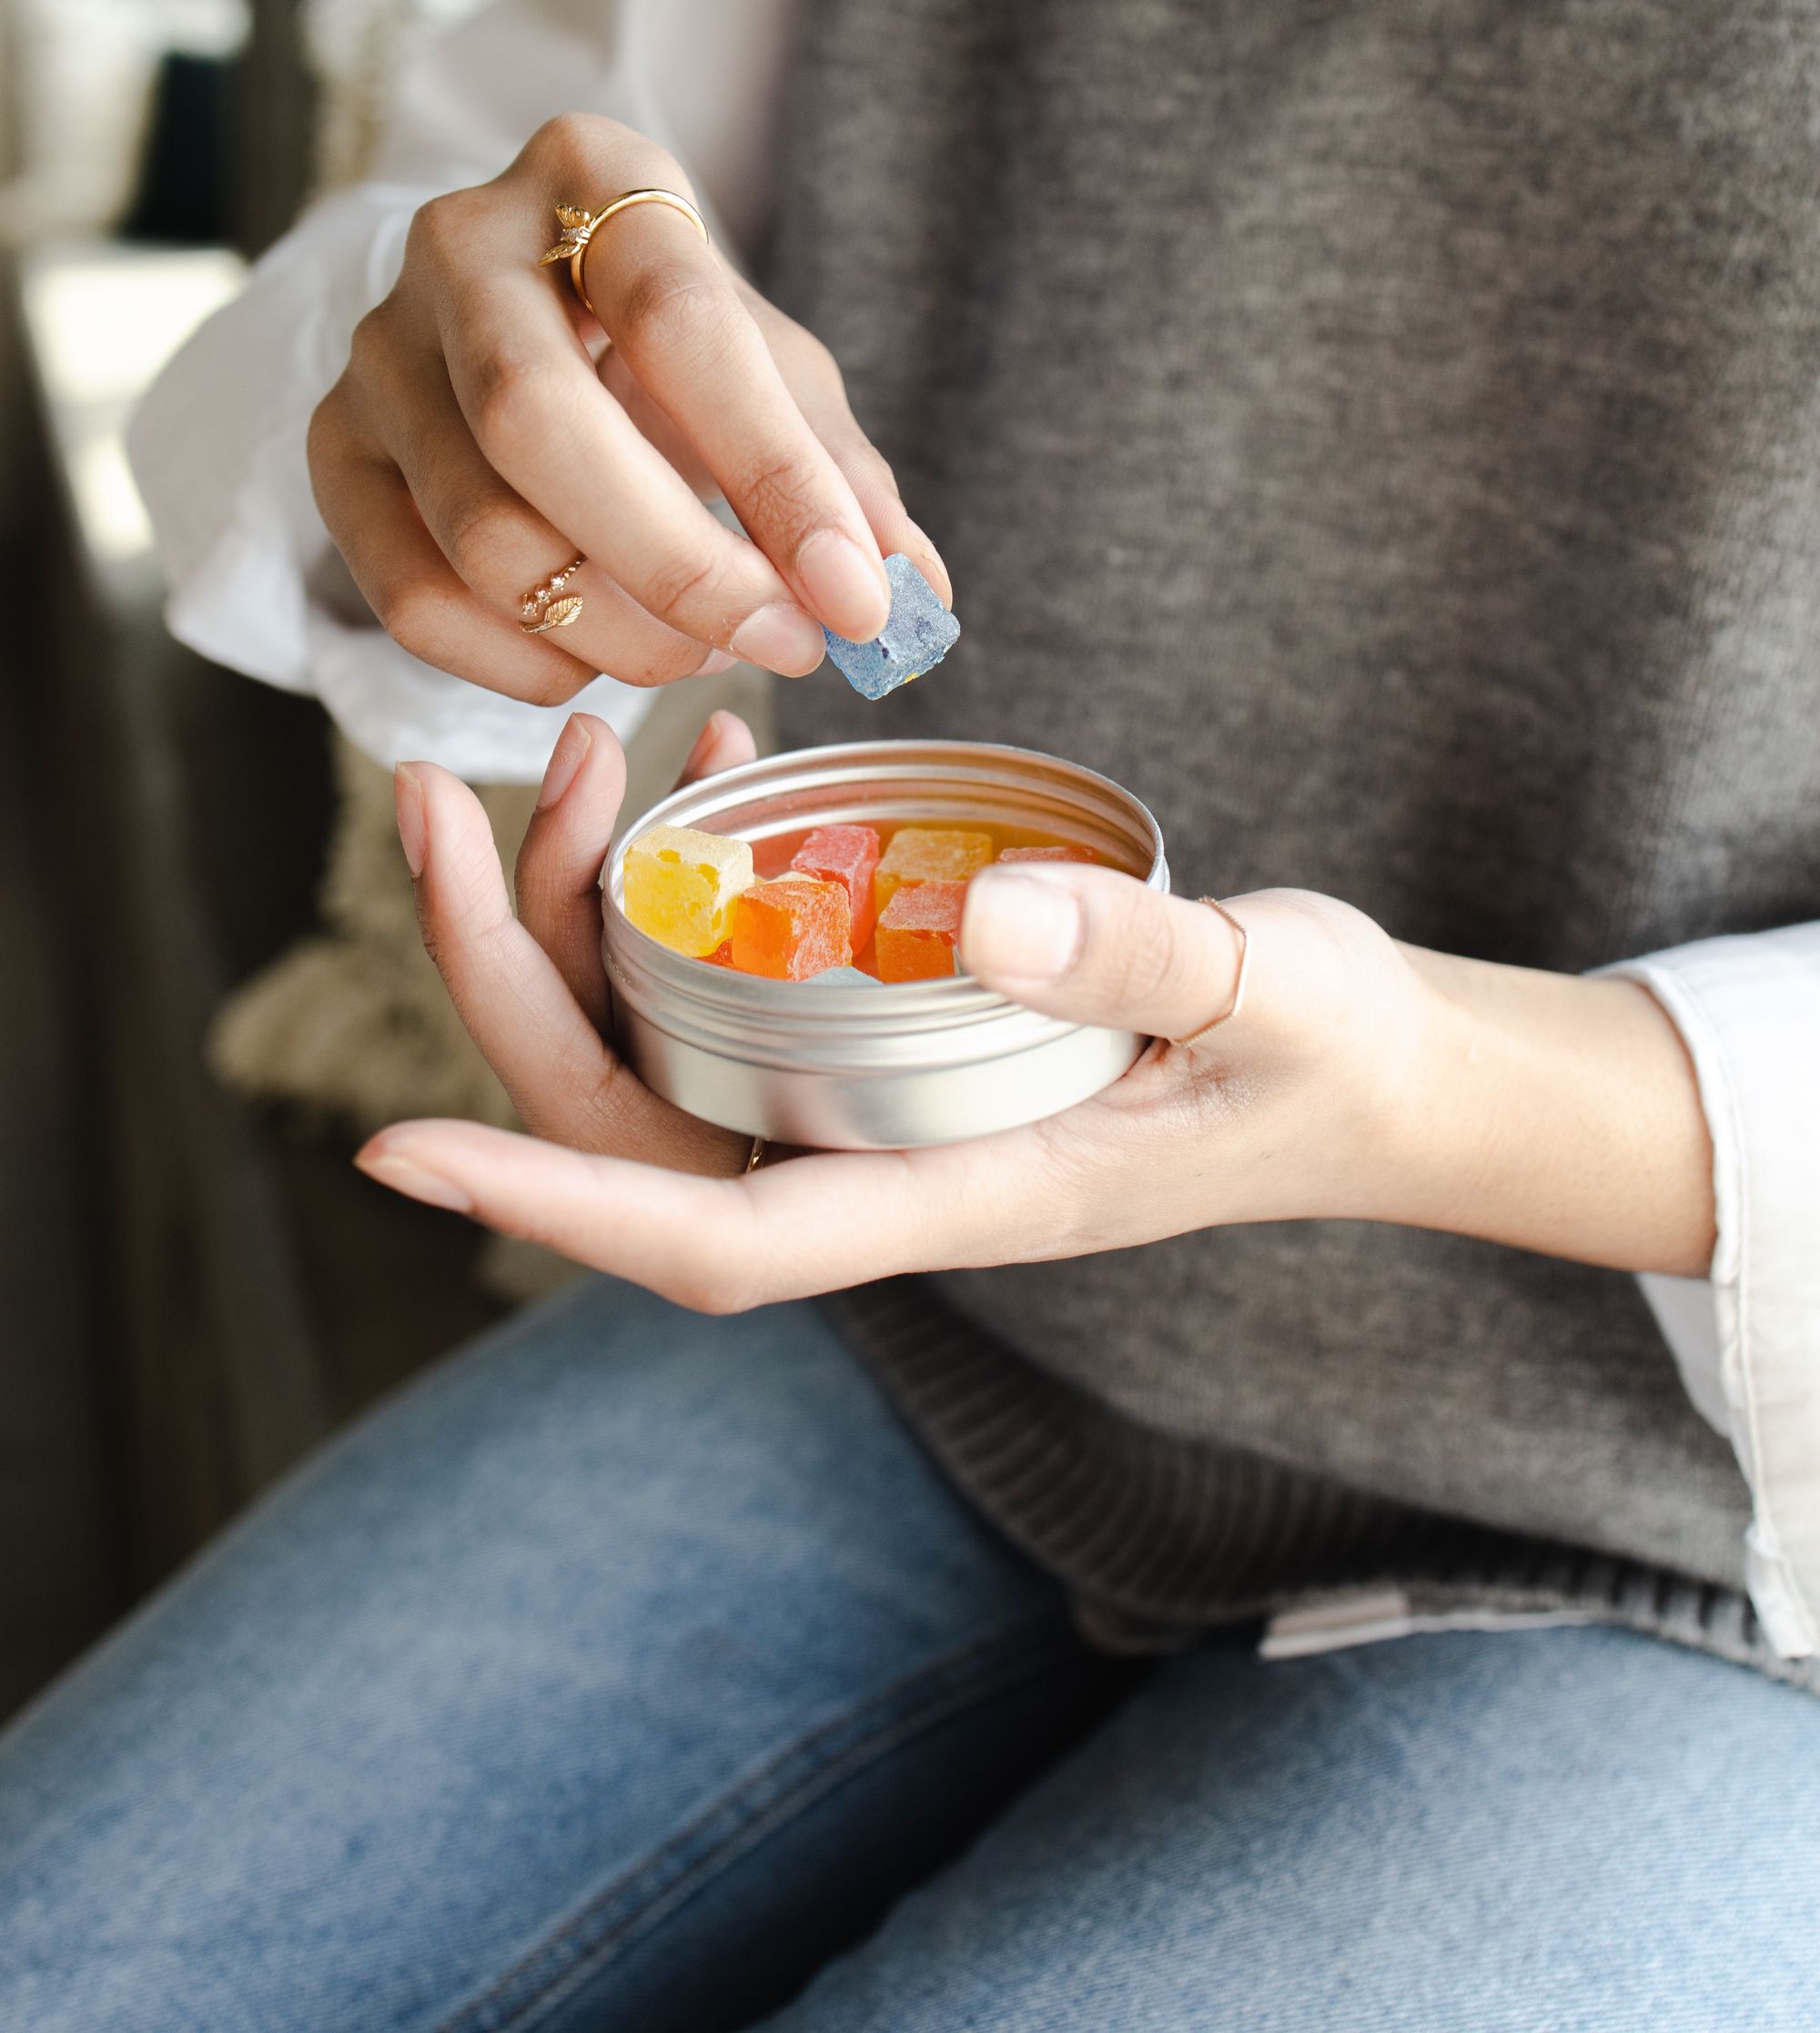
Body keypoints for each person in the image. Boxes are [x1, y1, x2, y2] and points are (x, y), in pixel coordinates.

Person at [5, 1, 1819, 2026]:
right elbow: (489, 220)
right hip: (922, 1317)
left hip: (1722, 1537)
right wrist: (464, 402)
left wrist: (1423, 1096)